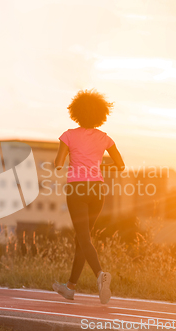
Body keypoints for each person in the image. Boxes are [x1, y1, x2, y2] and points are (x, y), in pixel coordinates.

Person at [52, 89, 125, 304]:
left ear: (76, 112)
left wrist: (66, 162)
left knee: (83, 238)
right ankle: (70, 287)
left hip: (77, 190)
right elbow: (120, 166)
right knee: (82, 240)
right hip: (97, 190)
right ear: (100, 114)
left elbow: (57, 165)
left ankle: (101, 276)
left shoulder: (68, 135)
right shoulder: (105, 138)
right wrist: (99, 164)